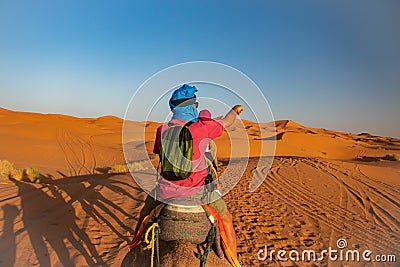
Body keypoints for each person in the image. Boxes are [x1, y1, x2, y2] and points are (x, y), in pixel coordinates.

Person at [132, 84, 244, 258]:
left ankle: (134, 247)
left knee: (144, 214)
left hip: (163, 192)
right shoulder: (202, 128)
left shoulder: (162, 130)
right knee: (226, 218)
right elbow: (228, 122)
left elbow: (159, 155)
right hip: (198, 193)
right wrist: (235, 110)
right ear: (191, 106)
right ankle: (234, 261)